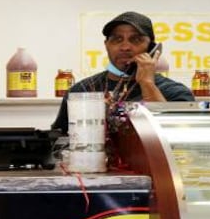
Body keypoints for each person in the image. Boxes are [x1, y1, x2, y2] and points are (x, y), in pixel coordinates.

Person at [52, 11, 194, 133]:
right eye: (117, 39)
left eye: (136, 39)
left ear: (152, 48)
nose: (125, 47)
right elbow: (59, 141)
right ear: (106, 45)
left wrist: (147, 83)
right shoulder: (82, 91)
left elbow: (176, 138)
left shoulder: (174, 92)